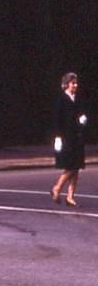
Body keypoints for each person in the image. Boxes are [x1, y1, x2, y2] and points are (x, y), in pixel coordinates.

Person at [51, 72, 87, 207]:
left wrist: (82, 118)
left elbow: (80, 112)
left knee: (77, 167)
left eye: (76, 83)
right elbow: (57, 120)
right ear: (67, 84)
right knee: (71, 165)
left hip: (77, 136)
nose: (75, 85)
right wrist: (57, 137)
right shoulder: (61, 99)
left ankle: (70, 196)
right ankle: (57, 187)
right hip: (66, 137)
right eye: (73, 83)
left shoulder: (77, 98)